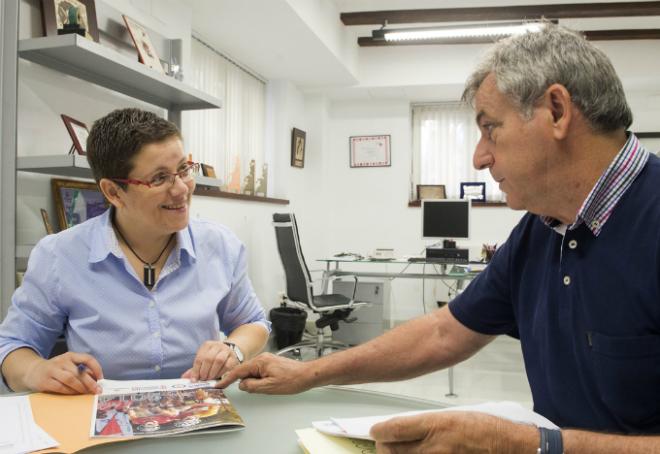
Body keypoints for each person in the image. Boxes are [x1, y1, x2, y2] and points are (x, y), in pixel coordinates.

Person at [219, 23, 660, 453]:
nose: (479, 156)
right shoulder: (540, 231)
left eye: (491, 128)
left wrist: (532, 445)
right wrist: (309, 374)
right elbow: (442, 333)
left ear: (557, 112)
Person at [0, 108, 270, 394]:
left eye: (183, 169)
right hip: (104, 424)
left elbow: (254, 322)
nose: (181, 189)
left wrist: (233, 349)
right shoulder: (59, 255)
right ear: (113, 192)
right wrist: (36, 370)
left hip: (201, 416)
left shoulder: (220, 245)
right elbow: (12, 346)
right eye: (159, 178)